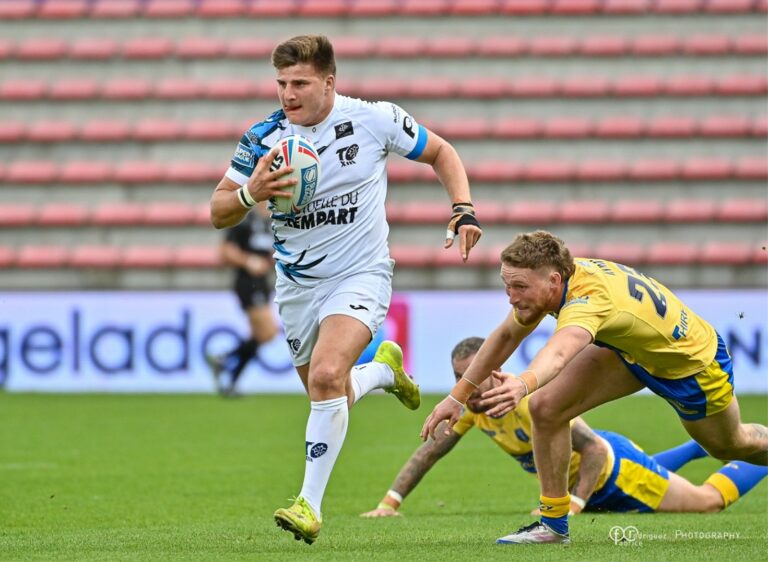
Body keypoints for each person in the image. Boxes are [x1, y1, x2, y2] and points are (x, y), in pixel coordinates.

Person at [209, 35, 482, 544]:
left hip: (361, 273)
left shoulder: (374, 119)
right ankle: (383, 371)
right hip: (296, 285)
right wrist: (251, 192)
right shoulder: (264, 137)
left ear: (329, 81)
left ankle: (308, 506)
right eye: (281, 83)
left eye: (300, 83)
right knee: (327, 391)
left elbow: (441, 152)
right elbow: (218, 211)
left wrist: (462, 208)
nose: (288, 94)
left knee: (328, 376)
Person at [421, 231, 768, 545]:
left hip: (692, 366)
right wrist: (456, 397)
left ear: (553, 280)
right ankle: (553, 525)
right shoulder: (560, 277)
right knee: (546, 408)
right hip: (632, 351)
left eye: (519, 287)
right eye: (506, 285)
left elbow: (558, 354)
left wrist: (522, 384)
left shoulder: (586, 301)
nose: (511, 297)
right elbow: (506, 336)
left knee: (730, 444)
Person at [363, 337, 767, 526]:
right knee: (664, 467)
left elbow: (595, 451)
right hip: (597, 476)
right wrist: (389, 503)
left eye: (471, 375)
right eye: (457, 377)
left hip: (616, 475)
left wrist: (572, 505)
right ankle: (696, 448)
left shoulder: (526, 401)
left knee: (708, 501)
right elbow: (429, 452)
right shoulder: (474, 409)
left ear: (495, 371)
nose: (464, 385)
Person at [206, 201, 279, 397]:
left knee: (260, 335)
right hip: (247, 282)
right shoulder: (245, 221)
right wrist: (248, 261)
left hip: (263, 282)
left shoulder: (273, 223)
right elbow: (224, 251)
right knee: (268, 332)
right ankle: (225, 359)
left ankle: (229, 377)